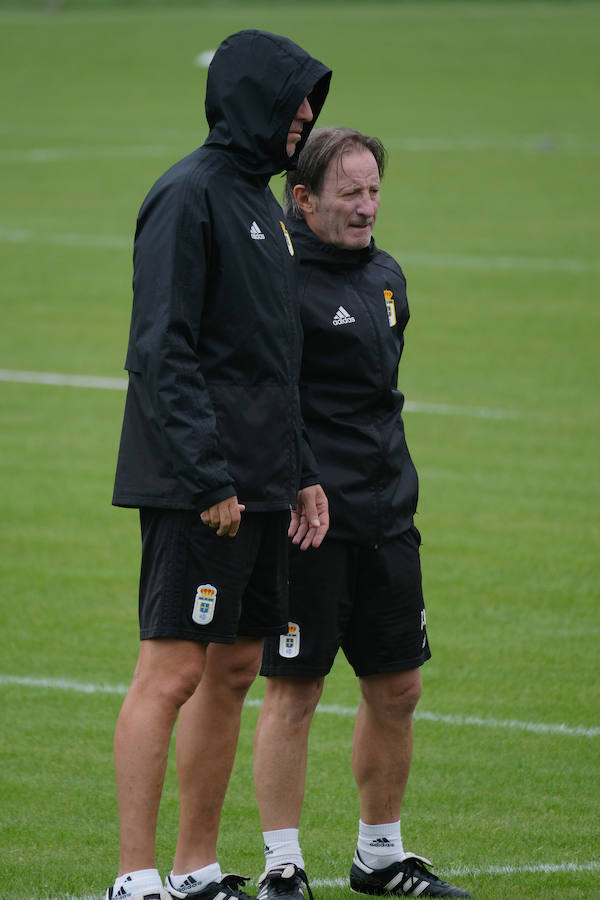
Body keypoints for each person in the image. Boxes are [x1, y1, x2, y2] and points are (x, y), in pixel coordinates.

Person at [109, 31, 331, 900]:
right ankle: (134, 876)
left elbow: (273, 363)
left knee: (237, 668)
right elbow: (160, 351)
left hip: (262, 484)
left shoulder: (266, 210)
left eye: (310, 104)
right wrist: (208, 478)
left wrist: (300, 468)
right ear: (249, 102)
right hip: (197, 485)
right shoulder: (188, 197)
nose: (304, 117)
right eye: (291, 103)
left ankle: (196, 866)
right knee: (170, 672)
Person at [251, 128, 471, 899]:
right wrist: (298, 483)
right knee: (296, 690)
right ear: (304, 197)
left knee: (398, 688)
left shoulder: (386, 276)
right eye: (351, 192)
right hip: (308, 521)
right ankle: (283, 864)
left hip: (389, 515)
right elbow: (271, 401)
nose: (367, 205)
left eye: (374, 189)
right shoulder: (276, 280)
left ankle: (380, 854)